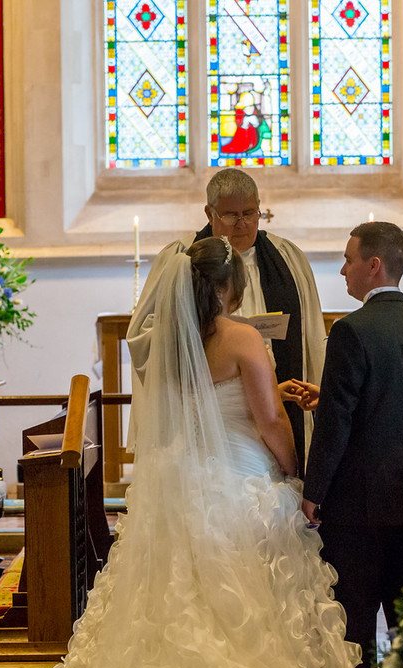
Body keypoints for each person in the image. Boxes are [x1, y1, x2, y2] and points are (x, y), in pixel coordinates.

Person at [0, 237, 403, 668]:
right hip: (237, 485)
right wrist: (293, 472)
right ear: (224, 287)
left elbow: (193, 410)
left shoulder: (160, 346)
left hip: (178, 486)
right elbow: (267, 422)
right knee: (253, 605)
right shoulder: (245, 338)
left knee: (165, 609)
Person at [302, 222, 403, 668]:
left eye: (348, 259)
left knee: (356, 620)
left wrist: (313, 491)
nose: (342, 269)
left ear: (373, 264)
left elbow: (337, 425)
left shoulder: (351, 331)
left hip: (360, 503)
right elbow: (401, 402)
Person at [127, 168, 326, 474]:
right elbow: (143, 335)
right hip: (207, 430)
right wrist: (209, 337)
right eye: (231, 214)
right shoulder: (181, 259)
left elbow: (310, 334)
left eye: (250, 212)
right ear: (210, 213)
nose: (243, 223)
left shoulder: (288, 257)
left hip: (271, 408)